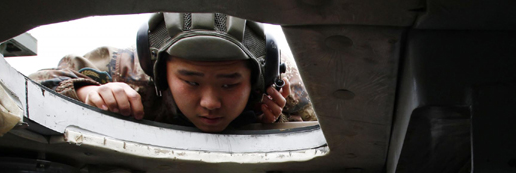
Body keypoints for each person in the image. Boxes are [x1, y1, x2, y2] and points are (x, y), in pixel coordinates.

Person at [29, 12, 316, 132]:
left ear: (257, 77)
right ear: (160, 71)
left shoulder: (282, 84)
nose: (210, 102)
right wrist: (86, 92)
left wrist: (279, 120)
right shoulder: (125, 69)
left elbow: (333, 128)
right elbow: (34, 86)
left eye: (229, 84)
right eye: (190, 81)